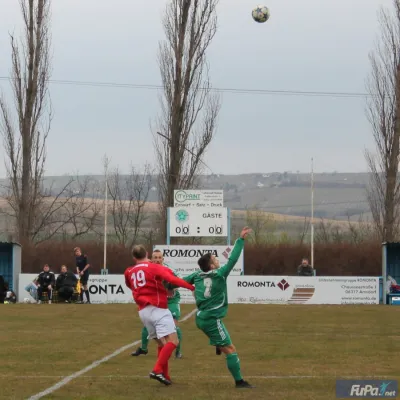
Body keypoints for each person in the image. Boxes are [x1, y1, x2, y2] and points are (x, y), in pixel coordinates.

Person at [181, 227, 255, 389]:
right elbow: (233, 259)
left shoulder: (196, 275)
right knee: (230, 348)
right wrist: (240, 240)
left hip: (202, 317)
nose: (217, 260)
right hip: (210, 319)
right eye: (215, 259)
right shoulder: (220, 274)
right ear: (212, 265)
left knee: (224, 343)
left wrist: (164, 282)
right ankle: (240, 382)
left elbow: (179, 282)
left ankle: (217, 343)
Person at [124, 244, 195, 386]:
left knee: (162, 344)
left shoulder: (129, 271)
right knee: (173, 341)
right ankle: (157, 370)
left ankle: (165, 375)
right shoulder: (154, 267)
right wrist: (191, 287)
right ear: (148, 255)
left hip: (143, 312)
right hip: (158, 309)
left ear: (134, 257)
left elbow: (129, 285)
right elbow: (173, 280)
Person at [131, 250, 184, 359]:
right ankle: (144, 349)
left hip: (171, 300)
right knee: (148, 324)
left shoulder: (169, 270)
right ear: (152, 258)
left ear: (163, 259)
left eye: (160, 257)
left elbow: (179, 282)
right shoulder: (147, 268)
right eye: (155, 257)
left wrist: (168, 285)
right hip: (155, 300)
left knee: (174, 326)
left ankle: (178, 351)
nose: (157, 260)